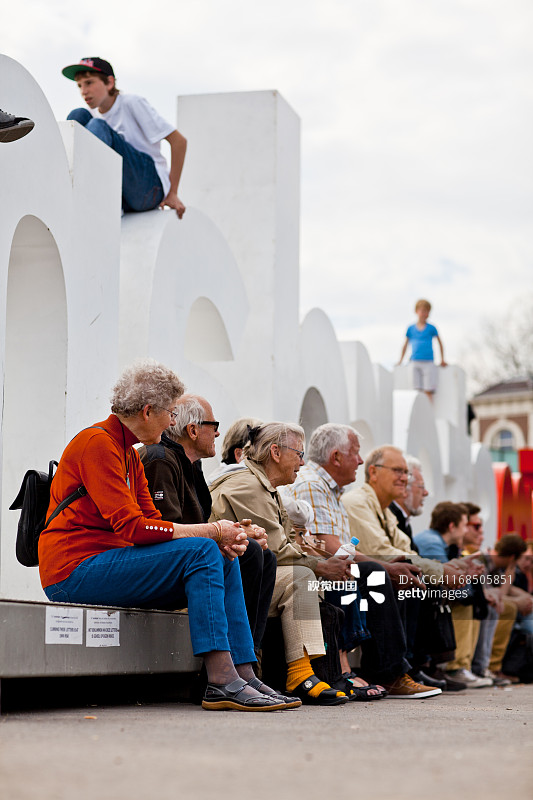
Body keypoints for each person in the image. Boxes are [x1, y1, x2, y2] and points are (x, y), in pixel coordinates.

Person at [38, 359, 291, 712]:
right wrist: (213, 531)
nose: (173, 422)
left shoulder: (128, 453)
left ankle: (244, 672)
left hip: (107, 563)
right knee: (204, 549)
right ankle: (221, 680)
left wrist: (223, 536)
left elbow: (153, 523)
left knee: (222, 555)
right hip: (73, 571)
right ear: (147, 411)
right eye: (170, 413)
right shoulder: (97, 443)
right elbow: (133, 528)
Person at [287, 423, 443, 700]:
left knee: (399, 574)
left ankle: (405, 668)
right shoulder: (313, 485)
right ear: (336, 457)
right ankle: (390, 673)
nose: (360, 460)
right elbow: (327, 546)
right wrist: (385, 565)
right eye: (356, 453)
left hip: (327, 567)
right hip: (314, 569)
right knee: (376, 571)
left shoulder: (332, 490)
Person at [210, 422, 349, 706]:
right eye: (299, 454)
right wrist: (321, 566)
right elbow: (276, 548)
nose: (302, 462)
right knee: (301, 576)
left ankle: (304, 673)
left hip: (241, 576)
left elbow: (283, 546)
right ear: (275, 452)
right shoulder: (248, 486)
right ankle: (300, 674)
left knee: (303, 576)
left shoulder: (263, 485)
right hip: (223, 579)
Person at [139, 396, 279, 663]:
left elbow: (195, 525)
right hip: (162, 565)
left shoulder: (190, 464)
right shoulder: (160, 460)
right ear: (192, 430)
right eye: (213, 425)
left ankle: (249, 658)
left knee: (262, 555)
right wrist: (229, 536)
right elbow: (166, 532)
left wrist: (237, 532)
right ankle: (234, 664)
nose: (217, 433)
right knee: (249, 552)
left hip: (188, 555)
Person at [62, 58, 186, 216]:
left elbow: (179, 141)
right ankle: (78, 190)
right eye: (79, 86)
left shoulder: (131, 103)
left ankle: (94, 195)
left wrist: (173, 193)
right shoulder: (92, 115)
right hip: (122, 194)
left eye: (89, 83)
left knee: (97, 125)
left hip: (149, 187)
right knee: (77, 115)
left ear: (109, 82)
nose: (83, 91)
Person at [414, 502, 493, 689]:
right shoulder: (432, 542)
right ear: (452, 526)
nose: (466, 531)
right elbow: (446, 581)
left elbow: (448, 578)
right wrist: (465, 578)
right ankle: (455, 667)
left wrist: (465, 575)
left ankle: (464, 666)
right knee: (465, 604)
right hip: (419, 599)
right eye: (466, 525)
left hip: (424, 596)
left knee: (473, 602)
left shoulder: (441, 542)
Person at [397, 299, 447, 399]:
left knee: (428, 390)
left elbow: (440, 343)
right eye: (422, 310)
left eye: (427, 311)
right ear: (416, 311)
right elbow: (405, 345)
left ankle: (430, 409)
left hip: (428, 361)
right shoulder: (410, 328)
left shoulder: (431, 328)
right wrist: (400, 360)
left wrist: (442, 359)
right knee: (415, 391)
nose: (424, 313)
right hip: (414, 361)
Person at [388, 455, 429, 551]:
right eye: (421, 486)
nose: (426, 493)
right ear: (405, 489)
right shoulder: (390, 518)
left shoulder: (403, 521)